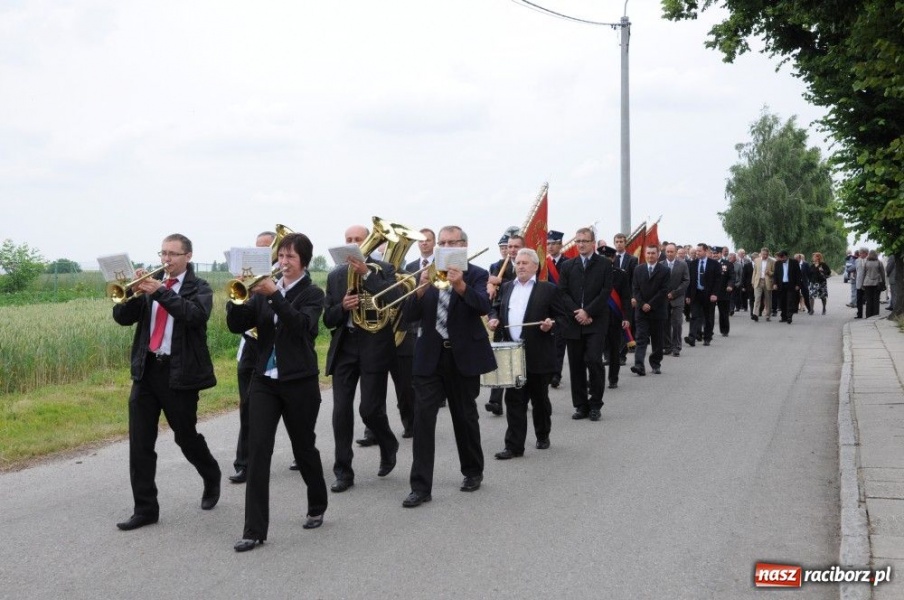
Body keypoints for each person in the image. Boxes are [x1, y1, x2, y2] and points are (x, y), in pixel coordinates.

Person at [226, 232, 329, 552]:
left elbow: (302, 327)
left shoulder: (313, 293)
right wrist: (238, 297)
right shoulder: (262, 290)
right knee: (258, 451)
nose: (283, 262)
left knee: (303, 449)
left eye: (290, 258)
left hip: (299, 381)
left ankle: (317, 502)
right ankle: (254, 530)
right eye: (280, 256)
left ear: (304, 263)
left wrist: (274, 295)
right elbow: (235, 325)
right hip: (264, 381)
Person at [112, 233, 221, 531]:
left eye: (173, 254)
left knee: (185, 437)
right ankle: (145, 509)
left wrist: (160, 291)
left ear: (188, 256)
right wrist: (133, 293)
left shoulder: (200, 288)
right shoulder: (151, 285)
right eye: (163, 253)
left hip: (180, 373)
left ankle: (211, 474)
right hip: (147, 372)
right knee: (140, 443)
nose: (166, 260)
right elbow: (122, 317)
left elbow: (194, 315)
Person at [402, 225, 496, 507]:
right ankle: (420, 487)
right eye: (441, 243)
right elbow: (408, 316)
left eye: (451, 242)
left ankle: (472, 471)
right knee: (423, 420)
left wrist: (460, 285)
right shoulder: (426, 274)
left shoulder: (477, 274)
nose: (444, 247)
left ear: (463, 246)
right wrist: (418, 292)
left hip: (463, 356)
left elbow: (482, 306)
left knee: (464, 416)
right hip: (430, 356)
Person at [322, 225, 401, 494]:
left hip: (375, 346)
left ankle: (388, 442)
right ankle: (343, 470)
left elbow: (393, 299)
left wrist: (366, 274)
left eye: (358, 239)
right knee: (341, 411)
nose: (353, 243)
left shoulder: (385, 269)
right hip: (346, 347)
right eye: (348, 240)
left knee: (369, 410)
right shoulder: (335, 275)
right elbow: (328, 319)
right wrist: (341, 308)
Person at [487, 248, 564, 458]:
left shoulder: (548, 289)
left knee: (539, 399)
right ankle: (513, 446)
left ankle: (542, 433)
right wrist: (494, 319)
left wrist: (551, 324)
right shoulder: (506, 287)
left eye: (524, 263)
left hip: (538, 354)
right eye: (518, 263)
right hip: (512, 354)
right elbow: (494, 308)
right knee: (514, 401)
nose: (520, 266)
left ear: (535, 266)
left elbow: (561, 318)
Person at [229, 230, 276, 484]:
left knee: (289, 407)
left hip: (277, 348)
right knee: (247, 406)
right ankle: (244, 464)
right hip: (250, 345)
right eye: (257, 249)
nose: (260, 254)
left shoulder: (288, 276)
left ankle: (300, 453)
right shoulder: (249, 277)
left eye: (266, 249)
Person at [557, 227, 613, 421]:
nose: (581, 244)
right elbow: (562, 292)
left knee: (594, 360)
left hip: (596, 321)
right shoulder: (567, 266)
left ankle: (596, 404)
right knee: (576, 365)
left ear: (593, 243)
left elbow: (605, 291)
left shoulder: (604, 264)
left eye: (585, 241)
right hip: (573, 322)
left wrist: (588, 312)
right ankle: (581, 405)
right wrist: (578, 313)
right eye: (578, 241)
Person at [485, 233, 523, 416]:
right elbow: (493, 299)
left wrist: (502, 282)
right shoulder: (498, 266)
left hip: (522, 322)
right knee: (499, 361)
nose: (512, 250)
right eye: (510, 246)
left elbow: (525, 286)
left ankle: (521, 395)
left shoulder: (530, 264)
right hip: (501, 319)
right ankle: (495, 402)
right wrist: (492, 316)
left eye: (516, 246)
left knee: (519, 362)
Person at [630, 245, 670, 375]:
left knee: (657, 339)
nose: (650, 256)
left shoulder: (664, 270)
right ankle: (639, 365)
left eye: (653, 253)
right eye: (648, 253)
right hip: (641, 311)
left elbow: (663, 290)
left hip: (657, 310)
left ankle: (655, 364)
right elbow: (635, 289)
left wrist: (650, 305)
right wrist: (642, 304)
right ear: (645, 254)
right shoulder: (638, 269)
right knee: (641, 338)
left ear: (658, 254)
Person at [597, 244, 630, 388]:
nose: (605, 259)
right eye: (602, 257)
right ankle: (596, 378)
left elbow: (625, 298)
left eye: (608, 257)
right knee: (595, 351)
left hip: (615, 317)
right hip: (597, 317)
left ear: (613, 258)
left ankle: (613, 378)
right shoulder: (593, 273)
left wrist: (626, 317)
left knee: (614, 350)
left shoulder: (621, 274)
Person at [545, 230, 568, 388]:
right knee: (547, 343)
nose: (550, 246)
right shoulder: (542, 263)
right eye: (548, 244)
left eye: (553, 243)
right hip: (546, 307)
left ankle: (556, 374)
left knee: (559, 343)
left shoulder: (568, 263)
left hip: (562, 308)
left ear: (560, 245)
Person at [685, 243, 719, 346]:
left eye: (699, 251)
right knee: (694, 316)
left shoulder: (714, 264)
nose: (697, 253)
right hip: (696, 294)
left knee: (708, 317)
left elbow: (718, 281)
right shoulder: (693, 264)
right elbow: (689, 281)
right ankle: (692, 337)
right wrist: (688, 295)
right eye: (697, 251)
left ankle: (707, 337)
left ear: (705, 251)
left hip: (709, 295)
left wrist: (714, 294)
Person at [612, 233, 639, 365]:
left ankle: (622, 355)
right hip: (612, 298)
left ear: (625, 243)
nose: (619, 244)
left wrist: (634, 296)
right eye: (617, 241)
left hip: (626, 297)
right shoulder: (611, 258)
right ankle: (611, 353)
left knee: (625, 324)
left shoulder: (632, 259)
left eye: (621, 241)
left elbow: (634, 280)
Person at [661, 243, 689, 357]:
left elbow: (686, 281)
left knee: (677, 323)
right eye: (667, 251)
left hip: (677, 298)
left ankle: (676, 346)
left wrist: (674, 293)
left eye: (672, 251)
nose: (669, 254)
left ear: (676, 252)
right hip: (664, 299)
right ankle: (667, 346)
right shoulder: (661, 264)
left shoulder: (682, 265)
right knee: (665, 323)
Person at [773, 250, 801, 324]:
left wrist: (798, 284)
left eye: (783, 258)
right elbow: (775, 274)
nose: (782, 259)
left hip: (791, 285)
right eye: (780, 258)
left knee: (790, 301)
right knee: (782, 301)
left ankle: (789, 317)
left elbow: (798, 274)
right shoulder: (777, 263)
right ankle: (784, 317)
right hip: (781, 285)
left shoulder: (794, 262)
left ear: (786, 256)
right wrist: (775, 283)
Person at [751, 248, 775, 322]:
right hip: (758, 281)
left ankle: (768, 315)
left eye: (766, 254)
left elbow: (774, 273)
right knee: (757, 298)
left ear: (768, 254)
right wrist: (753, 281)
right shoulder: (757, 260)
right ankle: (755, 314)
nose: (765, 256)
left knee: (768, 299)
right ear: (760, 253)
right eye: (763, 254)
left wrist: (769, 273)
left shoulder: (772, 261)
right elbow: (754, 271)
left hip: (767, 281)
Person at [861, 250, 886, 318]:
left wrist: (862, 284)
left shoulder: (866, 263)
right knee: (876, 300)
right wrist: (884, 283)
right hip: (877, 283)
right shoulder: (879, 263)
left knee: (869, 300)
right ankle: (875, 315)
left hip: (867, 283)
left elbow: (863, 274)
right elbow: (883, 274)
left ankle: (868, 315)